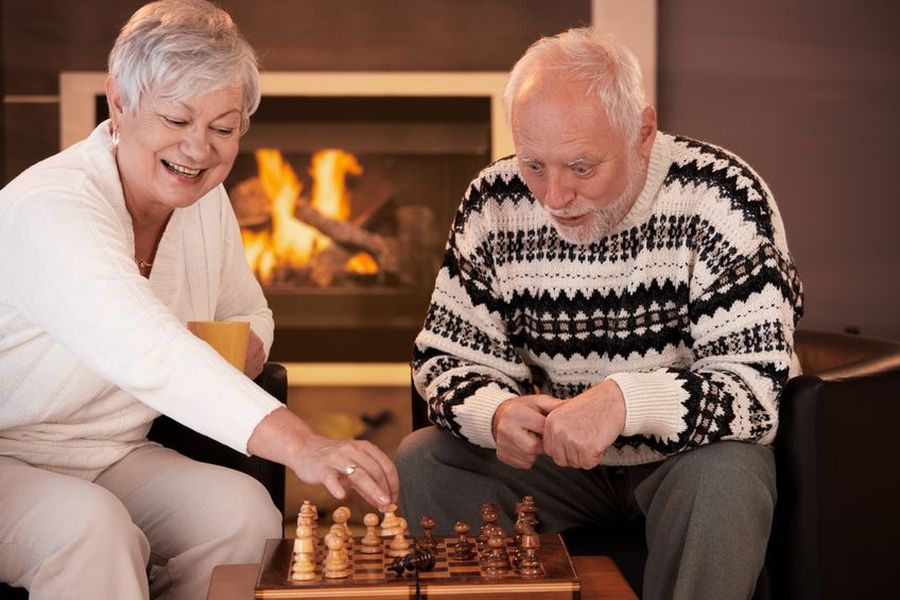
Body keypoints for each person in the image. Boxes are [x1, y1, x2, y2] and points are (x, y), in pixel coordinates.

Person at [0, 1, 398, 598]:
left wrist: (235, 356)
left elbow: (248, 310)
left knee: (243, 513)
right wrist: (302, 443)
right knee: (91, 528)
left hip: (111, 452)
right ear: (119, 103)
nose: (198, 150)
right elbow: (145, 347)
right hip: (8, 454)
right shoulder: (52, 208)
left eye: (223, 127)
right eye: (176, 119)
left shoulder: (202, 201)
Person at [395, 27, 803, 600]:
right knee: (426, 461)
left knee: (727, 475)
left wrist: (623, 401)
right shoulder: (493, 200)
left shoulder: (723, 196)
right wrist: (495, 411)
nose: (553, 196)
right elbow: (445, 358)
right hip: (555, 463)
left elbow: (756, 392)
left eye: (581, 168)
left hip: (685, 461)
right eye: (534, 164)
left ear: (642, 132)